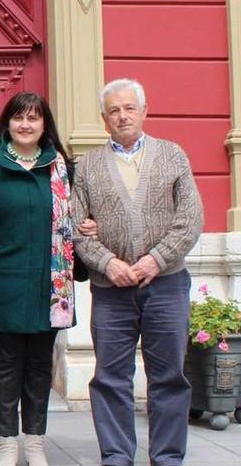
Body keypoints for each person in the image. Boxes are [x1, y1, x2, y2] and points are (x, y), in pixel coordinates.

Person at [72, 78, 203, 466]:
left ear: (145, 112)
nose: (122, 116)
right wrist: (109, 263)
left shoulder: (172, 155)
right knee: (111, 378)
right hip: (111, 289)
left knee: (169, 377)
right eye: (114, 110)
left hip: (166, 285)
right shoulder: (88, 166)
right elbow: (75, 225)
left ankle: (167, 457)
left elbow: (190, 218)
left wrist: (155, 260)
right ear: (103, 118)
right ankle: (116, 455)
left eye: (129, 108)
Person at [0, 92, 94, 466]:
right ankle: (7, 442)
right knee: (4, 365)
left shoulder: (64, 168)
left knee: (39, 366)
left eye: (33, 118)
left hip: (48, 283)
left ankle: (35, 441)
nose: (25, 124)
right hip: (1, 280)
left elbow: (80, 215)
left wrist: (88, 224)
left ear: (44, 124)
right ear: (7, 122)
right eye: (18, 117)